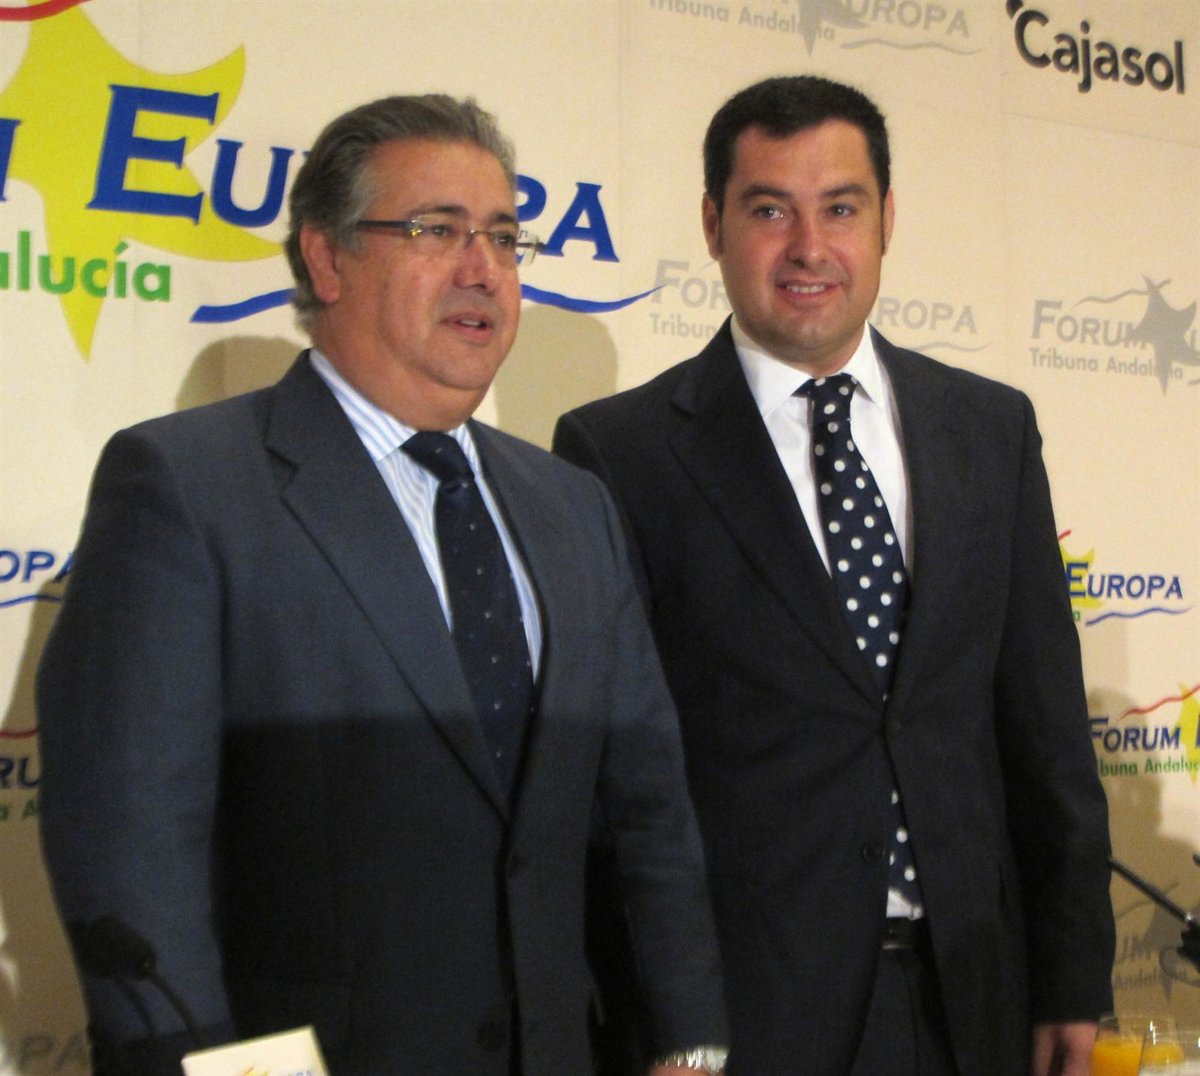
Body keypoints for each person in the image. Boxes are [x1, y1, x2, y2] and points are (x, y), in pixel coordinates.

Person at [37, 94, 727, 1076]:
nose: (482, 267)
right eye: (437, 230)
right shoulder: (187, 487)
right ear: (327, 258)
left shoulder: (573, 507)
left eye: (503, 236)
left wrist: (688, 1040)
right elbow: (129, 845)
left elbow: (648, 808)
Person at [554, 76, 1114, 1076]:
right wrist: (663, 1021)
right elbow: (615, 780)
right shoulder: (619, 453)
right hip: (746, 1016)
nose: (810, 247)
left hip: (974, 999)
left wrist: (1073, 974)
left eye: (841, 208)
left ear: (887, 220)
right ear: (714, 226)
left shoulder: (991, 429)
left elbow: (1046, 734)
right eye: (770, 210)